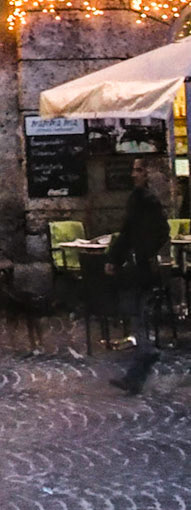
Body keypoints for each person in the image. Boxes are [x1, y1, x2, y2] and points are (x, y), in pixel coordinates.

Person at [106, 155, 170, 395]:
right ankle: (136, 375)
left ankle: (145, 355)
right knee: (138, 313)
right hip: (142, 265)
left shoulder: (143, 200)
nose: (134, 174)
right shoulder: (146, 200)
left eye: (139, 170)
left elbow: (128, 231)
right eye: (134, 170)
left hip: (138, 268)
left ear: (148, 174)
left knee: (135, 311)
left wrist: (118, 257)